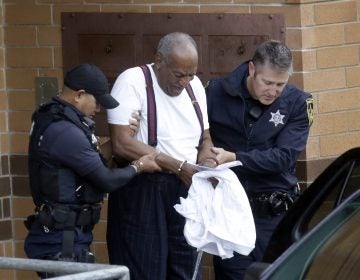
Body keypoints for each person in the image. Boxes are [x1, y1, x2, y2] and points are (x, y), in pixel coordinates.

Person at [24, 63, 160, 278]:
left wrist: (121, 139)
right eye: (96, 102)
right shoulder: (64, 130)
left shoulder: (59, 119)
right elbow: (106, 180)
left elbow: (86, 160)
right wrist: (139, 166)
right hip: (62, 239)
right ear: (79, 95)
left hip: (66, 234)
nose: (98, 110)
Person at [106, 32, 222, 280]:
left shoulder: (194, 89)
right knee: (144, 269)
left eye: (191, 75)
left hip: (185, 185)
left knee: (186, 268)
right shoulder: (133, 81)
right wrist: (177, 165)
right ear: (158, 61)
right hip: (144, 188)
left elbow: (205, 137)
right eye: (179, 74)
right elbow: (121, 144)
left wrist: (207, 159)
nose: (185, 82)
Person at [205, 40, 314, 280]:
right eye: (267, 82)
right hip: (230, 214)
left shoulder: (298, 102)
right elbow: (196, 137)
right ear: (252, 69)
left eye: (280, 84)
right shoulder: (215, 92)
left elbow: (283, 158)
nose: (273, 91)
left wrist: (235, 158)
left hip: (274, 216)